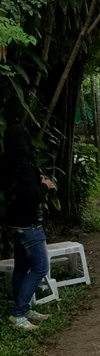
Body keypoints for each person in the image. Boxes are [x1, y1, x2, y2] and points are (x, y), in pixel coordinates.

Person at [0, 124, 55, 330]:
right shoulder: (25, 165)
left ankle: (25, 308)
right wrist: (45, 186)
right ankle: (19, 313)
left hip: (14, 222)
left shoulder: (5, 163)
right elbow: (33, 196)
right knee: (40, 267)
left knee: (22, 267)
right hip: (29, 223)